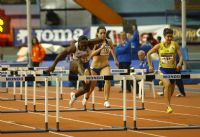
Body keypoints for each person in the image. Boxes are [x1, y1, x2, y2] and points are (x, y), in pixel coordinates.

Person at [46, 35, 103, 107]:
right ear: (78, 43)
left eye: (85, 45)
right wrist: (53, 65)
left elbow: (101, 39)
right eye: (82, 45)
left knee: (86, 88)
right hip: (74, 64)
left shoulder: (90, 44)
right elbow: (61, 54)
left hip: (85, 64)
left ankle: (74, 96)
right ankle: (84, 76)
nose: (84, 47)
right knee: (78, 62)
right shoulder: (73, 47)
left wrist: (90, 41)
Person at [147, 28, 183, 114]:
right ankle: (168, 106)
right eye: (168, 36)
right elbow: (148, 54)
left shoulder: (175, 45)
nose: (170, 38)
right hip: (162, 70)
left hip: (173, 70)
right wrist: (150, 65)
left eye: (171, 36)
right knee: (168, 84)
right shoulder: (159, 46)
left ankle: (168, 102)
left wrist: (179, 63)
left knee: (171, 89)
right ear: (164, 36)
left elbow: (181, 56)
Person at [84, 26, 119, 108]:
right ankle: (86, 96)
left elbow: (112, 49)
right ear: (97, 33)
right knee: (92, 87)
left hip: (105, 66)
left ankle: (106, 100)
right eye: (101, 33)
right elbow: (91, 54)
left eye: (104, 33)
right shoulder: (94, 43)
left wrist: (115, 59)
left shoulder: (108, 41)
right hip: (95, 67)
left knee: (107, 79)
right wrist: (101, 48)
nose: (103, 34)